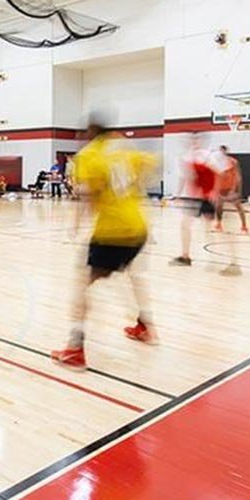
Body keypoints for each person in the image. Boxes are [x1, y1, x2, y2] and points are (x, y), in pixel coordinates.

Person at [51, 112, 159, 371]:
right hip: (139, 227)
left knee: (81, 281)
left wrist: (78, 223)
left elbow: (87, 195)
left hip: (112, 232)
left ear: (89, 134)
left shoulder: (88, 155)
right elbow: (150, 165)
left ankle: (75, 349)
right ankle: (146, 326)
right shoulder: (123, 147)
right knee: (135, 275)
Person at [170, 134, 216, 267]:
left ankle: (219, 260)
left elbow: (215, 175)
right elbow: (184, 177)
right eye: (192, 139)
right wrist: (178, 194)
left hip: (205, 197)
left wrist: (214, 192)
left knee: (209, 228)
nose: (194, 142)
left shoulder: (207, 156)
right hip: (192, 198)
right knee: (185, 225)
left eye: (197, 139)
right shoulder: (186, 156)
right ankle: (185, 256)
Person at [212, 146, 248, 234]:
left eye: (223, 151)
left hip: (230, 188)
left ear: (226, 152)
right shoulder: (216, 163)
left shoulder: (233, 162)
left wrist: (237, 190)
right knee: (218, 207)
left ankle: (244, 226)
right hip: (220, 189)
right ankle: (219, 224)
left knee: (239, 207)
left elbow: (238, 177)